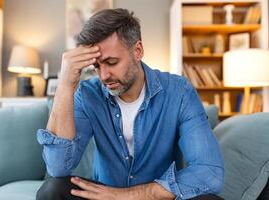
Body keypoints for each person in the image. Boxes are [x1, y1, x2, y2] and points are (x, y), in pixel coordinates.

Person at [36, 8, 224, 200]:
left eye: (112, 62)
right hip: (103, 196)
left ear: (138, 51)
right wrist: (65, 85)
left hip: (156, 196)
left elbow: (210, 173)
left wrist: (129, 195)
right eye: (97, 66)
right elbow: (58, 168)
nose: (103, 76)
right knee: (52, 190)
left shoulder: (179, 91)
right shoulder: (87, 94)